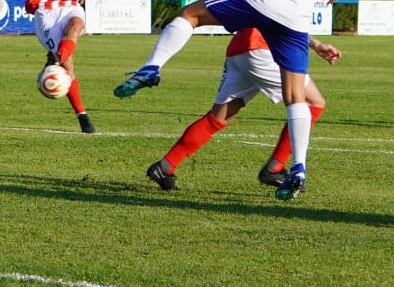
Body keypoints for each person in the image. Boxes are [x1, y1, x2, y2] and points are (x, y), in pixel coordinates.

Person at [114, 0, 349, 201]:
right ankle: (291, 167)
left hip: (251, 26)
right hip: (281, 31)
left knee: (191, 17)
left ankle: (154, 77)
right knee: (305, 101)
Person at [144, 28, 340, 191]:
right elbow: (290, 20)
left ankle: (165, 166)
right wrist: (316, 44)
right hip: (264, 49)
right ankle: (275, 168)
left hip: (239, 50)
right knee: (313, 103)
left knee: (217, 118)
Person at [25, 0, 117, 134]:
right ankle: (82, 115)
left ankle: (56, 56)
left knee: (76, 25)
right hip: (47, 11)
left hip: (70, 7)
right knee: (69, 69)